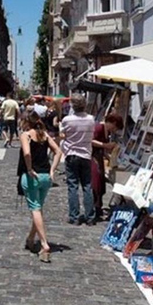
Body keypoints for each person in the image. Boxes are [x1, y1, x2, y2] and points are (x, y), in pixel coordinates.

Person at [19, 111, 62, 262]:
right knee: (38, 208)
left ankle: (44, 244)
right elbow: (58, 151)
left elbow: (27, 153)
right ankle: (31, 239)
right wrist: (52, 170)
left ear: (25, 122)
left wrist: (29, 169)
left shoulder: (26, 135)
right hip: (45, 177)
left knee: (35, 209)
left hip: (33, 177)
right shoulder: (44, 135)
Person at [59, 94, 96, 225]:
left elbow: (63, 135)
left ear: (72, 105)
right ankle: (90, 216)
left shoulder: (67, 120)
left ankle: (74, 216)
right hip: (86, 154)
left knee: (73, 186)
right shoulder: (91, 119)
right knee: (87, 186)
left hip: (71, 154)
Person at [91, 114, 124, 219]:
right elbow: (91, 141)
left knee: (100, 183)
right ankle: (94, 208)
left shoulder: (107, 131)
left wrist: (110, 157)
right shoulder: (98, 128)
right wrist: (105, 146)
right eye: (115, 128)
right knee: (95, 182)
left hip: (99, 157)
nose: (114, 130)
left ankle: (98, 207)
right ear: (112, 123)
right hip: (92, 157)